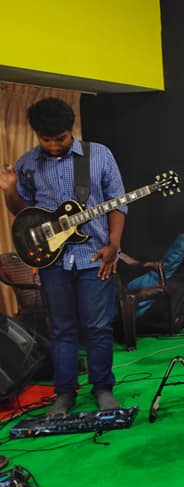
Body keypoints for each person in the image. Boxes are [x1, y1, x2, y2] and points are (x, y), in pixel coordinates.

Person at [0, 98, 126, 415]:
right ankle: (64, 393)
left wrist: (113, 244)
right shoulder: (28, 163)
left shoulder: (99, 155)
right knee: (61, 329)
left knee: (98, 327)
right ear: (36, 135)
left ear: (72, 130)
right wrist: (10, 190)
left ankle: (103, 388)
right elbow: (23, 214)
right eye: (47, 140)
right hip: (52, 261)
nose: (54, 146)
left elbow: (117, 202)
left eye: (61, 138)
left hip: (94, 255)